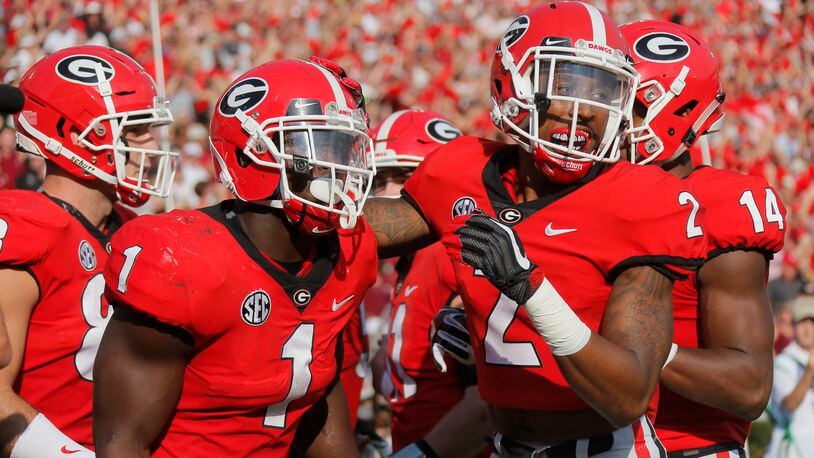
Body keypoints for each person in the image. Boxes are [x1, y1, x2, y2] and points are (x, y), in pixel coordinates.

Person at [362, 2, 707, 455]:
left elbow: (627, 395)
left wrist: (531, 291)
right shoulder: (462, 171)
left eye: (603, 92)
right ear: (512, 84)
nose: (584, 109)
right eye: (565, 84)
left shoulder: (640, 199)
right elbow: (359, 230)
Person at [93, 57, 378, 457]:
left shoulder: (348, 248)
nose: (343, 168)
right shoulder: (183, 260)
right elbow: (121, 445)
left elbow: (317, 399)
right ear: (250, 155)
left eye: (346, 148)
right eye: (322, 146)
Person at [620, 20, 786, 457]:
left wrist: (632, 351)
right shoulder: (573, 193)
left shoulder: (720, 204)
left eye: (620, 102)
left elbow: (749, 385)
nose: (597, 114)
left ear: (669, 111)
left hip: (687, 448)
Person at [0, 45, 176, 456]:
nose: (150, 142)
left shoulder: (134, 229)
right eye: (134, 129)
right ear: (77, 136)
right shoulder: (27, 226)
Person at [365, 108, 491, 457]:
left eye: (404, 175)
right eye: (378, 178)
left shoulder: (450, 255)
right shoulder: (412, 261)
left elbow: (493, 399)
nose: (386, 191)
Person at [767, 295, 814, 458]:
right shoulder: (783, 363)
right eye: (803, 322)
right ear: (793, 326)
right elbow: (788, 406)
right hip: (791, 449)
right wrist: (809, 373)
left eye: (812, 322)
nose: (808, 329)